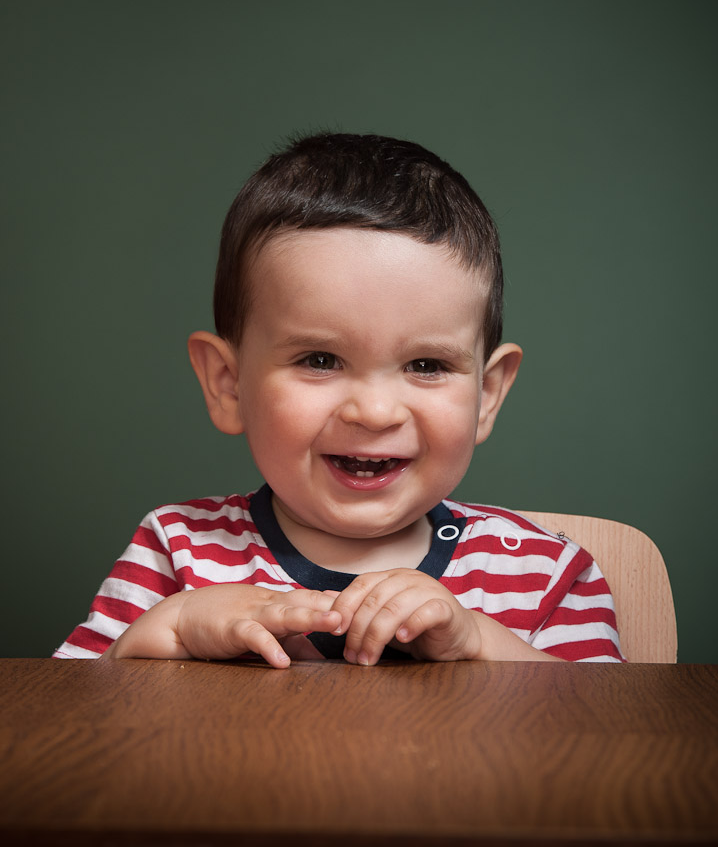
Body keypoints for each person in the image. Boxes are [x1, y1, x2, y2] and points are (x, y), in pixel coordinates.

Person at [55, 133, 623, 666]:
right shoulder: (176, 553)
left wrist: (479, 644)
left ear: (487, 395)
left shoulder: (545, 574)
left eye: (427, 365)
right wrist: (169, 629)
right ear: (228, 383)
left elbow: (610, 725)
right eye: (320, 360)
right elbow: (66, 721)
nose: (374, 413)